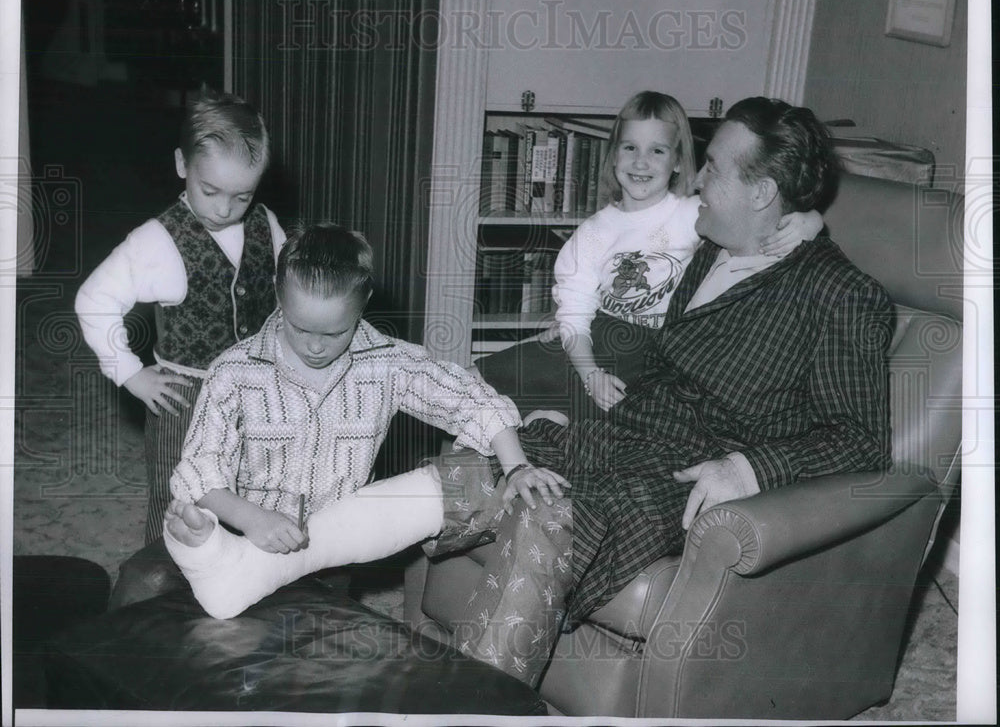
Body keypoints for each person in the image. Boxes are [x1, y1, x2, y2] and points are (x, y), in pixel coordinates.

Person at [166, 98, 893, 690]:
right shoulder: (706, 246)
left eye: (713, 170)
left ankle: (474, 710)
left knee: (541, 517)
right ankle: (254, 567)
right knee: (471, 471)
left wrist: (750, 468)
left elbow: (862, 438)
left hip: (677, 478)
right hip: (616, 433)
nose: (695, 180)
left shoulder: (841, 296)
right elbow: (630, 297)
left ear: (763, 193)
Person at [164, 223, 571, 686]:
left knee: (312, 673)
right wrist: (251, 517)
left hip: (332, 551)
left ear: (362, 308)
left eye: (335, 332)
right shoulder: (233, 372)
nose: (316, 346)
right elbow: (198, 468)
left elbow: (470, 399)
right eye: (301, 328)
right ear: (279, 298)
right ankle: (209, 555)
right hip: (244, 532)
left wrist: (516, 464)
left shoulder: (386, 362)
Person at [476, 91, 824, 418]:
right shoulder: (593, 234)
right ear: (613, 155)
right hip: (603, 346)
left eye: (657, 151)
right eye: (630, 147)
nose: (640, 162)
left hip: (666, 353)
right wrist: (590, 373)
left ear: (677, 162)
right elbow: (574, 316)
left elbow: (756, 221)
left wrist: (811, 220)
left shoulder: (693, 214)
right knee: (486, 380)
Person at [75, 89, 286, 544]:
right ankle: (162, 587)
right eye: (210, 191)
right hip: (184, 400)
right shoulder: (157, 242)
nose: (224, 209)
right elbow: (94, 299)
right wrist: (129, 373)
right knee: (178, 500)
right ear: (181, 165)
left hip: (256, 391)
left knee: (251, 491)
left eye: (242, 195)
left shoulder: (266, 223)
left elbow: (287, 294)